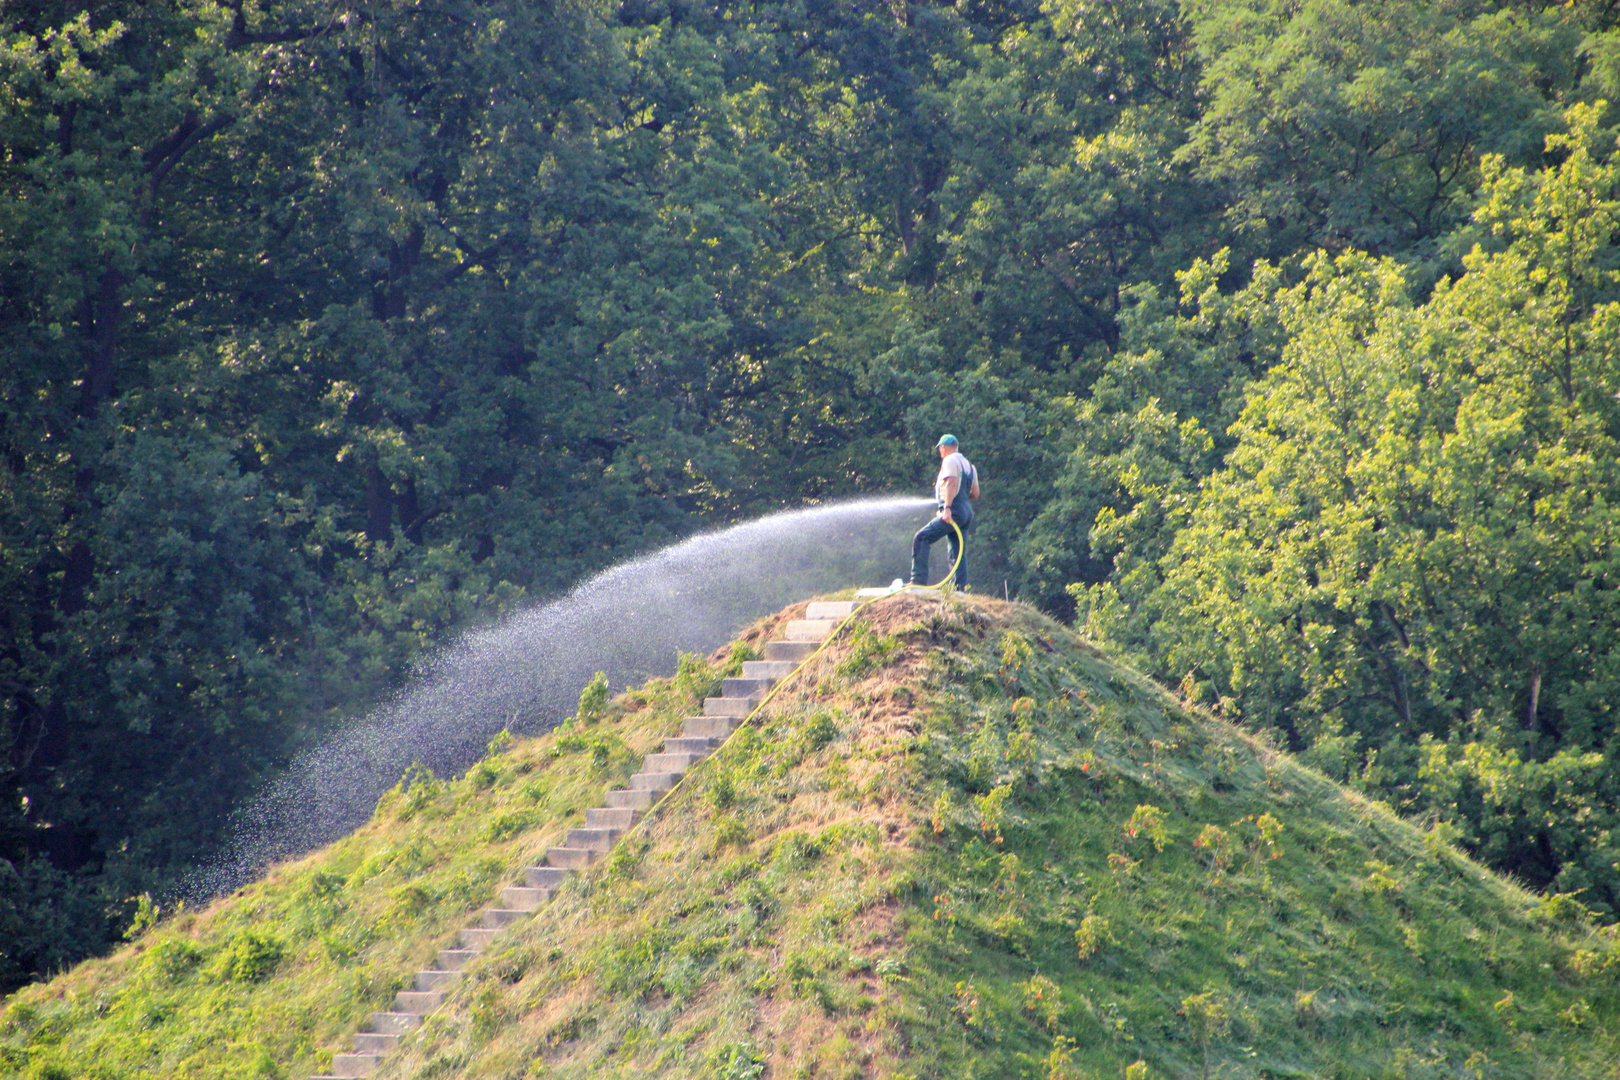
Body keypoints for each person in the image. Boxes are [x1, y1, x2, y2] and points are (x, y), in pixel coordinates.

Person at [911, 434, 979, 588]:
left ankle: (918, 581)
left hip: (953, 511)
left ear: (943, 447)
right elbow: (975, 493)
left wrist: (947, 508)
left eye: (940, 449)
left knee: (922, 538)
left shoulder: (949, 460)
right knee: (958, 552)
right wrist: (960, 502)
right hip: (966, 512)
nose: (940, 453)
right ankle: (959, 588)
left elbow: (951, 483)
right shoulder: (969, 465)